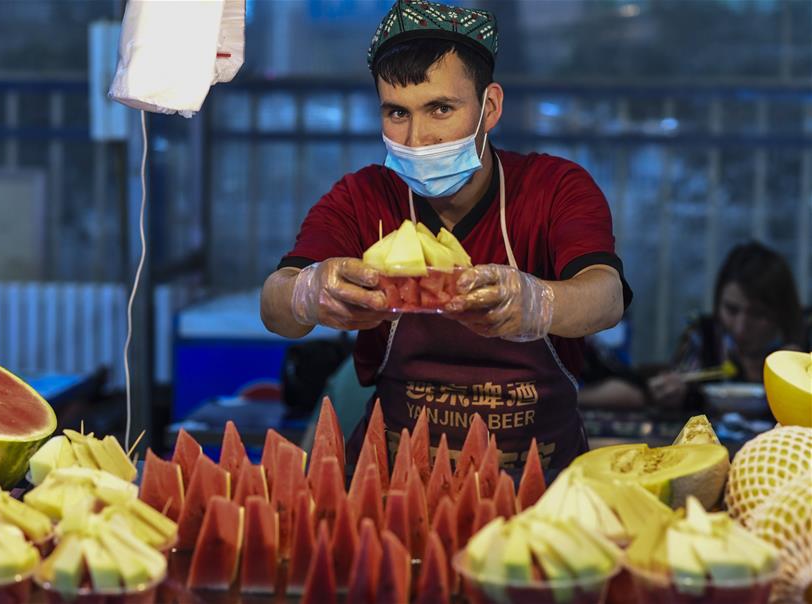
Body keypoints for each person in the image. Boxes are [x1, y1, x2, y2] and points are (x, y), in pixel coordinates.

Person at [261, 1, 632, 474]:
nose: (417, 138)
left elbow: (606, 296)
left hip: (537, 479)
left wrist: (538, 303)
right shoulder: (362, 197)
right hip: (394, 481)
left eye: (440, 109)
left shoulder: (555, 187)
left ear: (490, 107)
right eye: (397, 113)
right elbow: (275, 306)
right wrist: (307, 294)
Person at [648, 242, 805, 409]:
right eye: (731, 310)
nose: (740, 327)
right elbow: (681, 382)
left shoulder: (804, 339)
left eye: (758, 314)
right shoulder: (704, 334)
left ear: (782, 311)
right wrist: (671, 392)